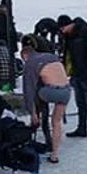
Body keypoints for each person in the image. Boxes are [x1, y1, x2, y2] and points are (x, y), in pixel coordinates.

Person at [21, 34, 71, 163]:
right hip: (66, 91)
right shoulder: (51, 56)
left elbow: (29, 91)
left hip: (50, 92)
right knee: (56, 122)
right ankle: (54, 155)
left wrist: (32, 112)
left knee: (37, 91)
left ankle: (38, 117)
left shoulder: (30, 63)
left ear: (25, 55)